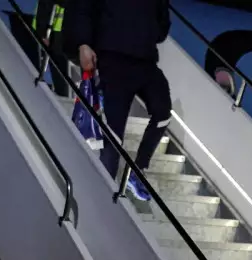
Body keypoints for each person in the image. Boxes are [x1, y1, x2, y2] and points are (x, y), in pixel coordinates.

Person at [64, 0, 173, 202]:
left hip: (145, 60)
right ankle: (103, 196)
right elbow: (83, 8)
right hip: (112, 57)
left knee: (163, 111)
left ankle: (137, 171)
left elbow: (163, 24)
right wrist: (83, 43)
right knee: (113, 135)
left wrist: (147, 30)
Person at [30, 0, 69, 97]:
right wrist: (43, 32)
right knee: (57, 65)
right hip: (52, 30)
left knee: (59, 66)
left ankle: (61, 93)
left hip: (57, 30)